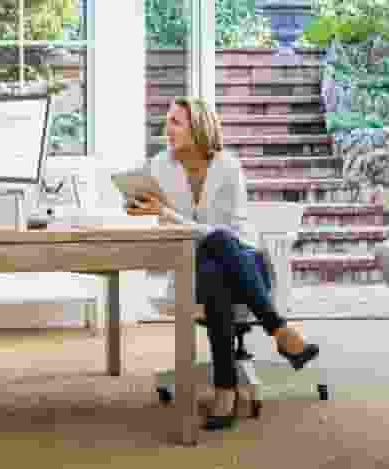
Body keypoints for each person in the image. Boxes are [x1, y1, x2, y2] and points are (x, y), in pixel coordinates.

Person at [127, 96, 319, 431]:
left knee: (219, 245)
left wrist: (167, 213)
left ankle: (225, 390)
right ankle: (280, 331)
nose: (166, 128)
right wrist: (146, 209)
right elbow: (173, 229)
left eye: (175, 121)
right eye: (167, 120)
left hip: (245, 260)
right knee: (212, 257)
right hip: (194, 265)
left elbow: (226, 232)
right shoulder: (160, 166)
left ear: (197, 127)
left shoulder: (227, 165)